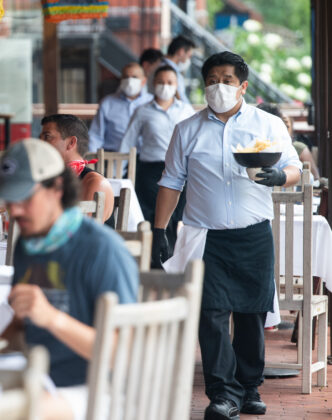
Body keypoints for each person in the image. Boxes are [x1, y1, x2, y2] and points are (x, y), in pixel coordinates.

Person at [153, 52, 301, 420]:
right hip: (208, 238)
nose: (219, 86)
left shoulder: (267, 125)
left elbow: (294, 166)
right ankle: (222, 394)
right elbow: (171, 182)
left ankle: (249, 387)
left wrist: (281, 177)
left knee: (251, 314)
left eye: (227, 80)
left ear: (243, 86)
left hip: (253, 236)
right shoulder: (186, 129)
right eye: (212, 79)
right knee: (212, 315)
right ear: (204, 85)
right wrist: (159, 230)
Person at [0, 139, 138, 389]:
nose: (15, 211)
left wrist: (52, 318)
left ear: (57, 188)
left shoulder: (101, 248)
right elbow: (21, 327)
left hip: (96, 390)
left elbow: (124, 352)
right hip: (38, 380)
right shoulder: (28, 244)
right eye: (9, 200)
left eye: (25, 198)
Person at [120, 65, 195, 263]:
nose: (165, 86)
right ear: (153, 84)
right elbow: (127, 143)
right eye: (161, 82)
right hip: (150, 171)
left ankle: (171, 261)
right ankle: (154, 261)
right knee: (154, 217)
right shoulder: (142, 111)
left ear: (177, 85)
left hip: (180, 170)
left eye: (170, 82)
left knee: (175, 217)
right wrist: (119, 173)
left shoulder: (187, 111)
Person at [40, 114, 114, 221]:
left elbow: (82, 231)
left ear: (71, 143)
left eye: (47, 137)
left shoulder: (95, 182)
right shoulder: (49, 178)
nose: (41, 143)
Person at [88, 63, 153, 152]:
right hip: (113, 157)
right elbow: (96, 135)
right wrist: (93, 162)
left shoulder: (151, 102)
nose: (130, 80)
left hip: (143, 158)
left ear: (144, 81)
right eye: (126, 77)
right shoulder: (107, 103)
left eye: (134, 77)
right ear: (121, 80)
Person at [257, 102, 320, 180]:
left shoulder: (294, 148)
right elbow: (310, 179)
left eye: (287, 125)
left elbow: (313, 178)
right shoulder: (253, 147)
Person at [162, 35, 196, 105]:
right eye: (189, 56)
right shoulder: (169, 72)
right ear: (181, 51)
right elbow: (181, 98)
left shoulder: (161, 65)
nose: (188, 60)